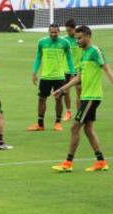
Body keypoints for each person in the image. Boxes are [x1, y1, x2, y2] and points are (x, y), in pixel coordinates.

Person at [52, 25, 113, 172]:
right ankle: (101, 161)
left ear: (87, 36)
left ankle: (68, 163)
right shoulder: (84, 54)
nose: (77, 41)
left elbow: (107, 69)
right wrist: (62, 89)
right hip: (86, 97)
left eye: (79, 38)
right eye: (76, 38)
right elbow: (79, 77)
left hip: (92, 97)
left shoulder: (95, 51)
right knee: (88, 129)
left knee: (75, 127)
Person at [28, 23, 75, 131]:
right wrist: (34, 72)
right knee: (41, 99)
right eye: (52, 32)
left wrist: (72, 73)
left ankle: (57, 123)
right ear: (49, 32)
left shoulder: (65, 43)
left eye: (55, 32)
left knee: (58, 99)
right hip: (45, 77)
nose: (54, 34)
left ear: (59, 32)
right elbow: (38, 58)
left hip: (59, 77)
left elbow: (69, 59)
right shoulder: (42, 42)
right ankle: (40, 124)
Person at [62, 19, 83, 121]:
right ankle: (68, 112)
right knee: (66, 92)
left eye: (70, 30)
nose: (68, 32)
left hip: (79, 70)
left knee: (79, 92)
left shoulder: (80, 39)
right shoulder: (64, 40)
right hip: (66, 70)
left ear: (74, 29)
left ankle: (79, 113)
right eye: (66, 30)